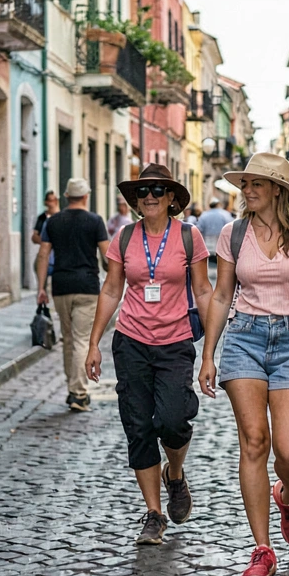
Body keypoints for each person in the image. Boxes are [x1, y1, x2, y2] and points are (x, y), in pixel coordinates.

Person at [199, 153, 289, 576]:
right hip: (244, 337)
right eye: (245, 184)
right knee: (254, 442)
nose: (248, 190)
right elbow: (222, 294)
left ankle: (288, 493)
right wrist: (208, 353)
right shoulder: (233, 233)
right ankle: (262, 549)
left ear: (277, 189)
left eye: (256, 183)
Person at [86, 164, 212, 546]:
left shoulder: (189, 236)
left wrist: (209, 352)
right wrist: (93, 343)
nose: (150, 196)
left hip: (175, 342)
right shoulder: (124, 238)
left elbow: (203, 290)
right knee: (139, 427)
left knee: (173, 420)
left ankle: (175, 474)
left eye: (158, 190)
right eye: (143, 191)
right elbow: (112, 289)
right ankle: (154, 514)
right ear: (136, 200)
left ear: (171, 197)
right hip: (131, 342)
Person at [36, 178, 109, 412]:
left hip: (61, 286)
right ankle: (79, 393)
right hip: (87, 286)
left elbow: (43, 255)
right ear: (86, 196)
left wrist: (40, 288)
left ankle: (72, 386)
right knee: (81, 340)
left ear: (66, 196)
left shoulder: (53, 221)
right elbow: (107, 256)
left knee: (68, 339)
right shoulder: (95, 221)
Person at [32, 190, 59, 287]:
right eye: (50, 200)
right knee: (38, 266)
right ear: (46, 202)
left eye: (54, 200)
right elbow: (34, 237)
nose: (52, 203)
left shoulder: (61, 217)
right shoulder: (42, 218)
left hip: (59, 258)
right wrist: (46, 241)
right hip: (47, 256)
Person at [196, 199, 234, 264]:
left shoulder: (204, 215)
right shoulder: (225, 214)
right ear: (218, 204)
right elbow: (231, 227)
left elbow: (199, 229)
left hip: (207, 244)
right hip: (222, 244)